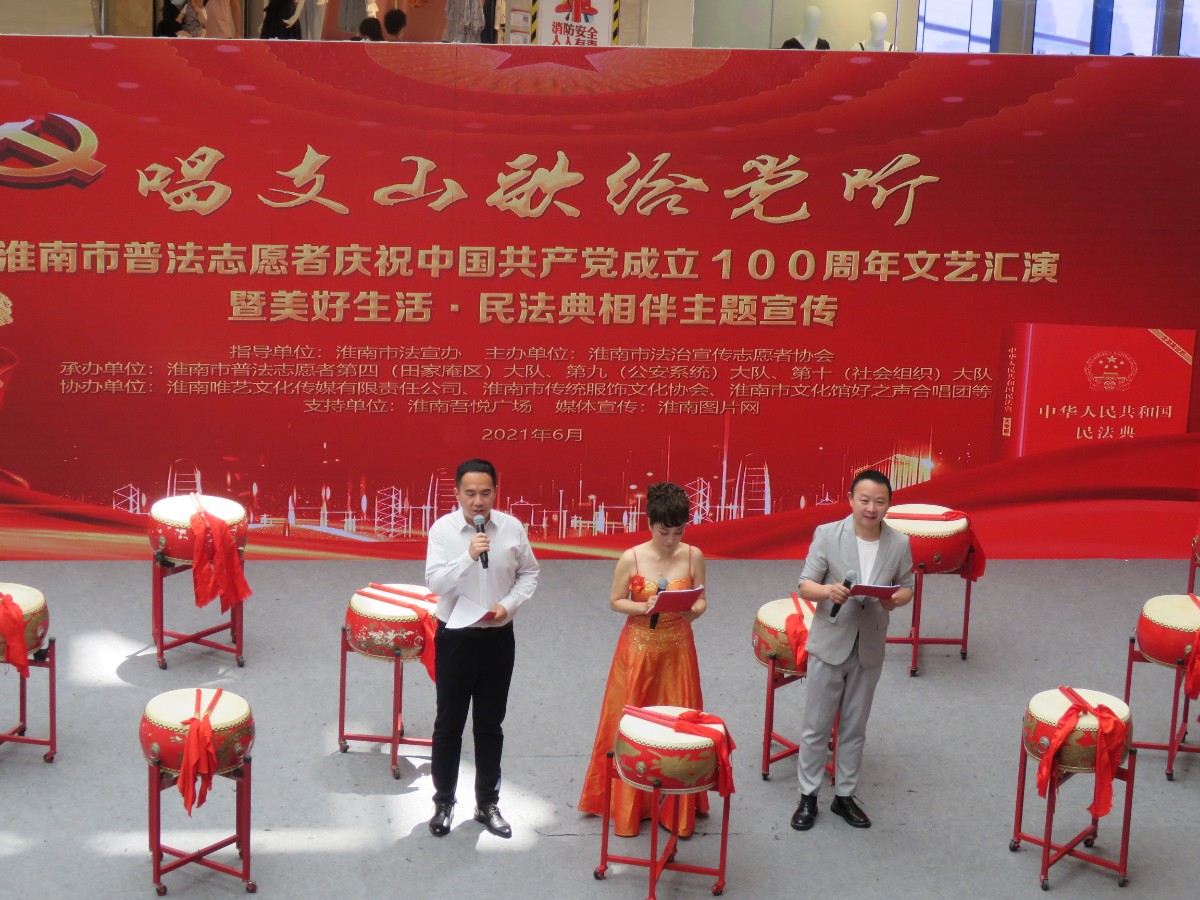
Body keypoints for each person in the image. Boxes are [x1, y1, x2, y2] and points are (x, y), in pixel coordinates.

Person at [577, 482, 708, 837]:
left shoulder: (693, 555)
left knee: (679, 725)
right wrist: (643, 606)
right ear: (650, 524)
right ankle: (630, 804)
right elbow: (615, 601)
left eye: (678, 532)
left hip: (678, 648)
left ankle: (678, 806)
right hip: (638, 647)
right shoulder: (631, 558)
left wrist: (694, 610)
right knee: (631, 723)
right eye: (664, 531)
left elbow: (701, 599)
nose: (671, 539)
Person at [790, 469, 913, 832]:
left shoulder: (899, 543)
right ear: (851, 500)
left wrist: (895, 599)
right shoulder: (828, 534)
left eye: (880, 502)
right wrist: (828, 591)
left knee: (855, 727)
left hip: (869, 642)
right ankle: (808, 795)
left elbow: (907, 586)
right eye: (865, 500)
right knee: (816, 726)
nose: (871, 508)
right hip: (831, 641)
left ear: (888, 505)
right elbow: (805, 585)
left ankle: (844, 795)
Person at [424, 458, 539, 839]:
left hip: (498, 638)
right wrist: (468, 556)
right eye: (470, 493)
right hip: (455, 638)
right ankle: (443, 802)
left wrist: (508, 605)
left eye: (486, 493)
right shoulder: (442, 531)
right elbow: (436, 584)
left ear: (495, 492)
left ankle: (487, 803)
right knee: (448, 725)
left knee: (490, 725)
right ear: (457, 493)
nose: (478, 501)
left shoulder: (512, 527)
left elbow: (529, 572)